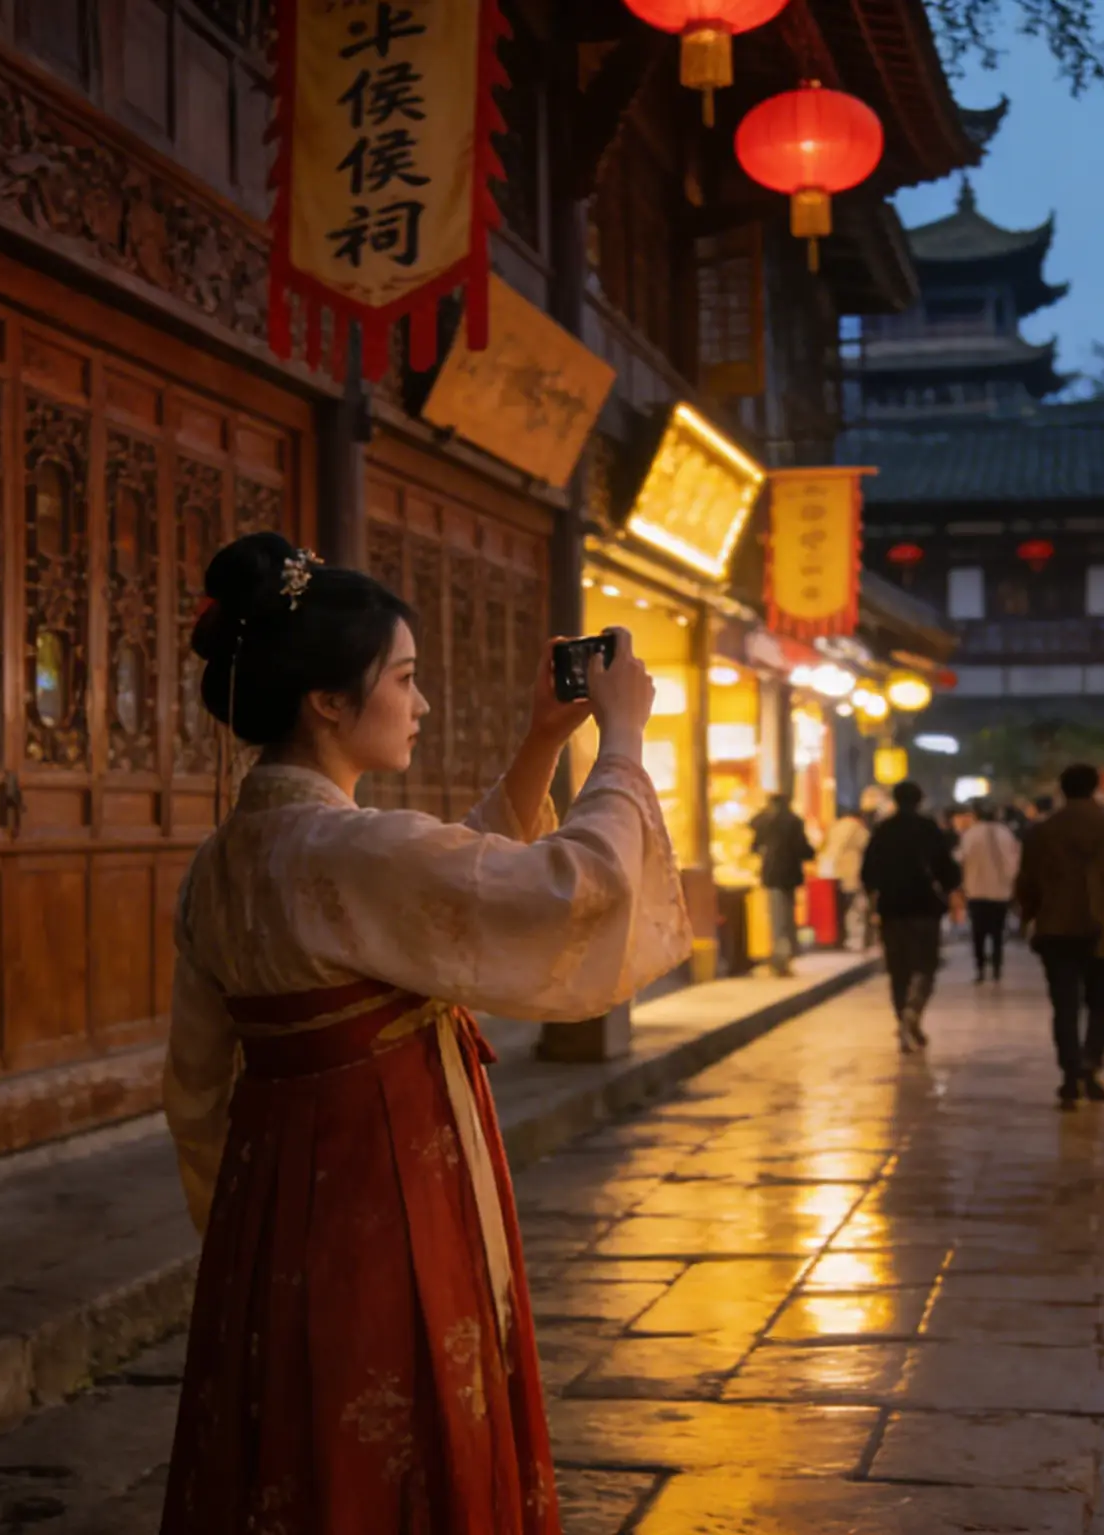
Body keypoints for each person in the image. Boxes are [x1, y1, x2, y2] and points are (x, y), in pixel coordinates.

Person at [158, 534, 689, 1531]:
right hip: (387, 1177)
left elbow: (193, 1085)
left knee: (291, 1428)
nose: (422, 702)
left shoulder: (222, 862)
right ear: (328, 700)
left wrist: (542, 744)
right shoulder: (350, 845)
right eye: (403, 678)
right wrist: (620, 740)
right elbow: (574, 886)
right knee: (402, 1419)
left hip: (268, 1201)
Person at [1014, 765, 1104, 1107]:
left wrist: (1027, 917)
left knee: (1064, 1006)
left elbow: (1027, 883)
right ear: (1094, 789)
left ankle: (1069, 1072)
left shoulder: (1042, 833)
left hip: (1056, 928)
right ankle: (1092, 1064)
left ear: (1062, 790)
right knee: (1100, 1003)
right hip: (1103, 929)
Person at [860, 780, 965, 1051]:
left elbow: (868, 872)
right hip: (924, 908)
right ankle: (914, 1011)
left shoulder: (883, 830)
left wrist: (875, 896)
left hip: (892, 909)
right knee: (926, 965)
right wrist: (952, 889)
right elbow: (947, 869)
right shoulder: (929, 828)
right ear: (920, 800)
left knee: (898, 970)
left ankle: (902, 1019)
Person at [953, 802, 1022, 983]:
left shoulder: (971, 834)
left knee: (978, 933)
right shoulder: (1005, 833)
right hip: (1000, 892)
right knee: (998, 932)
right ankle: (997, 967)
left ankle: (980, 968)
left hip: (976, 891)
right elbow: (1014, 861)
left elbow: (960, 858)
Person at [749, 792, 815, 977]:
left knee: (777, 919)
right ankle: (785, 958)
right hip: (790, 875)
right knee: (786, 918)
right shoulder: (794, 821)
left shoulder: (765, 821)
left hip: (772, 875)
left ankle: (779, 958)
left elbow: (754, 843)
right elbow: (804, 849)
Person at [822, 791, 875, 952]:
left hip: (832, 872)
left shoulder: (834, 827)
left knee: (839, 908)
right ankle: (856, 939)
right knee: (856, 907)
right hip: (853, 871)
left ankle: (839, 939)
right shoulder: (857, 828)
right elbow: (869, 846)